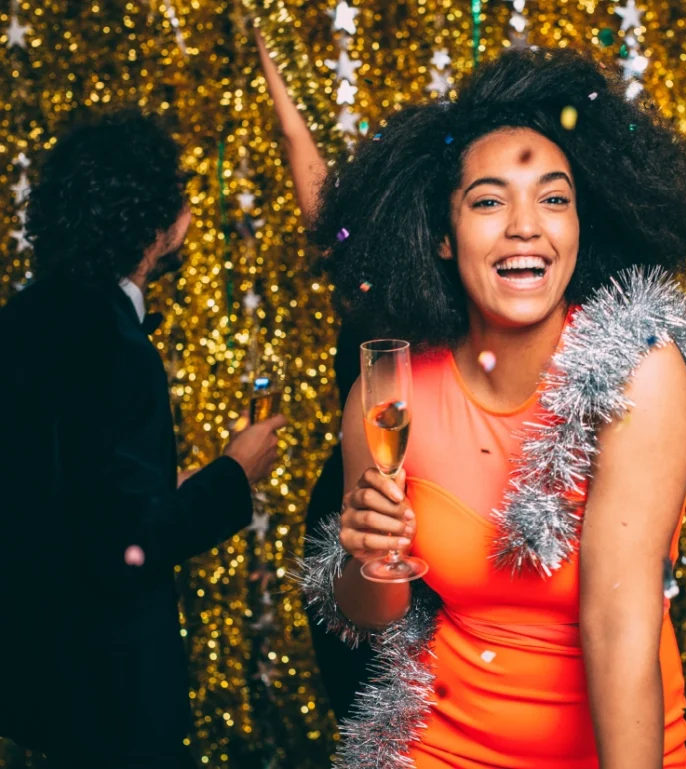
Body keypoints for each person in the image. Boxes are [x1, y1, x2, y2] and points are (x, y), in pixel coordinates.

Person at [300, 48, 686, 768]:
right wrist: (367, 557)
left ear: (584, 228)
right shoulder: (389, 389)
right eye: (489, 200)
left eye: (554, 198)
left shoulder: (642, 372)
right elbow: (374, 616)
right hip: (439, 749)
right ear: (441, 234)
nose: (526, 224)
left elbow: (618, 626)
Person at [0, 110, 286, 769]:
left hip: (33, 687)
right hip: (107, 698)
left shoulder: (22, 318)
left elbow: (67, 493)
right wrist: (233, 473)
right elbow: (125, 547)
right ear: (165, 223)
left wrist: (161, 491)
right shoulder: (117, 347)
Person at [254, 29, 377, 720]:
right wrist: (268, 54)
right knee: (364, 722)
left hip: (437, 535)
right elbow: (307, 166)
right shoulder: (367, 283)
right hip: (347, 523)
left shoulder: (474, 298)